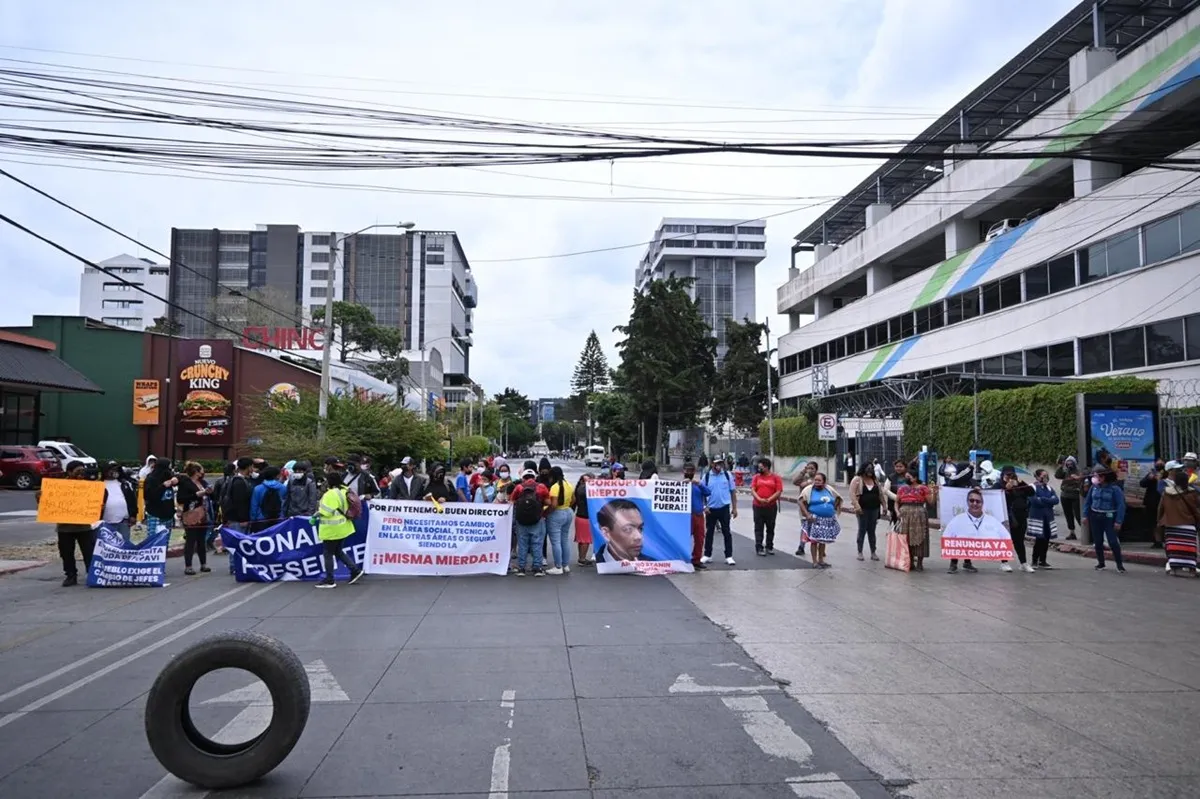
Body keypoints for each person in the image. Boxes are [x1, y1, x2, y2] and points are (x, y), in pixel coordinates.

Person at [37, 460, 97, 587]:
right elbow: (47, 502)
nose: (81, 474)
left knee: (89, 552)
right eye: (78, 471)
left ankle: (91, 574)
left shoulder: (88, 486)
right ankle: (70, 575)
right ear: (69, 472)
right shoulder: (59, 486)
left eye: (83, 471)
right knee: (66, 553)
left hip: (84, 526)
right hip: (65, 528)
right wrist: (40, 497)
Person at [312, 457, 364, 588]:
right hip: (344, 527)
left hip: (332, 530)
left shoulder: (330, 494)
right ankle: (355, 570)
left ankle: (330, 580)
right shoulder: (344, 490)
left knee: (328, 553)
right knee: (338, 551)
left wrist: (314, 516)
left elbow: (326, 512)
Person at [1083, 465, 1126, 572]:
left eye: (1097, 476)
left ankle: (1119, 565)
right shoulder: (1094, 487)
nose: (1095, 478)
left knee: (1112, 541)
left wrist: (1118, 521)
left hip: (1109, 516)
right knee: (1098, 541)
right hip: (1095, 516)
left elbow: (1121, 505)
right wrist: (1085, 515)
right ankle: (1101, 563)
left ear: (1103, 477)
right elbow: (1088, 502)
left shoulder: (1115, 489)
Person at [1158, 467, 1200, 576]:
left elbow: (1161, 508)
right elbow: (1196, 508)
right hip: (1188, 524)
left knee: (1173, 548)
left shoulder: (1167, 493)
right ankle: (1192, 569)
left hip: (1171, 524)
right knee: (1190, 548)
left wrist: (1159, 521)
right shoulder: (1192, 493)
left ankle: (1173, 569)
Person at [509, 468, 550, 576]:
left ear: (523, 478)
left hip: (521, 520)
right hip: (537, 519)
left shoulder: (518, 487)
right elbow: (548, 502)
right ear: (534, 477)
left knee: (522, 544)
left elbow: (511, 501)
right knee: (537, 543)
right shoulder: (541, 487)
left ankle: (521, 568)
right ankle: (537, 568)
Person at [800, 472, 842, 569]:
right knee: (814, 541)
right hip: (815, 519)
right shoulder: (809, 490)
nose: (817, 482)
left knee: (823, 541)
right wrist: (807, 514)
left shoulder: (829, 490)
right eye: (815, 480)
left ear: (824, 482)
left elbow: (838, 498)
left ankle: (821, 560)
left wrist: (833, 509)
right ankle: (815, 562)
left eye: (819, 480)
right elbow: (801, 501)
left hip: (827, 520)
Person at [701, 457, 738, 567]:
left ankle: (729, 556)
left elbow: (733, 492)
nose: (719, 466)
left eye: (721, 463)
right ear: (712, 464)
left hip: (724, 508)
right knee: (709, 532)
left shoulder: (727, 475)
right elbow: (701, 493)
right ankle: (707, 555)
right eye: (717, 463)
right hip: (711, 509)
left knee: (726, 532)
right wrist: (704, 506)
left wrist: (734, 508)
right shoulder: (706, 477)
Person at [896, 471, 936, 572]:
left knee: (920, 537)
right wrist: (897, 512)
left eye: (908, 477)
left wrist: (935, 493)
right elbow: (897, 502)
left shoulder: (923, 488)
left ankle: (919, 563)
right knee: (906, 538)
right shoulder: (902, 489)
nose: (906, 479)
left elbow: (931, 502)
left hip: (919, 514)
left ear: (915, 478)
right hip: (905, 514)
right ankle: (909, 562)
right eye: (905, 477)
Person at [176, 462, 211, 575]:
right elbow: (181, 498)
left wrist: (209, 492)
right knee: (191, 540)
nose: (203, 471)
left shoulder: (202, 482)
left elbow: (208, 494)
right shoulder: (185, 483)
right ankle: (188, 566)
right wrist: (196, 494)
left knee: (201, 540)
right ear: (196, 471)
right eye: (201, 469)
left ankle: (203, 564)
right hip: (191, 514)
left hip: (203, 514)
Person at [1000, 467, 1036, 573]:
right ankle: (1004, 562)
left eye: (1011, 475)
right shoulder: (999, 485)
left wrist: (1021, 482)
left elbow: (1031, 492)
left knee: (1019, 540)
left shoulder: (1019, 485)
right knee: (1006, 540)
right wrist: (1007, 488)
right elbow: (997, 496)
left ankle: (1023, 563)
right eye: (1007, 476)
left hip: (1021, 516)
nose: (1009, 478)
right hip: (1007, 517)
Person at [850, 463, 888, 561]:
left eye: (872, 469)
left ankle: (873, 552)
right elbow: (852, 494)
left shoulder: (875, 480)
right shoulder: (857, 480)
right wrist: (857, 507)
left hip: (874, 509)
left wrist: (884, 506)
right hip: (862, 509)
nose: (870, 471)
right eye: (868, 469)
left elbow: (880, 494)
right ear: (864, 469)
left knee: (872, 531)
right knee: (862, 530)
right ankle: (860, 552)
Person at [544, 466, 575, 575]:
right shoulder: (569, 484)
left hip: (556, 514)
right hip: (568, 512)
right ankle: (565, 565)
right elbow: (573, 500)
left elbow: (553, 505)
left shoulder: (554, 487)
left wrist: (545, 513)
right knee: (564, 540)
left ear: (552, 476)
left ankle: (558, 566)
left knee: (556, 542)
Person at [750, 457, 783, 556]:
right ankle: (759, 547)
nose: (759, 469)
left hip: (771, 506)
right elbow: (753, 489)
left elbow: (778, 491)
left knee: (770, 527)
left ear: (767, 467)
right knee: (758, 527)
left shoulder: (775, 478)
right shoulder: (756, 477)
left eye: (761, 467)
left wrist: (770, 499)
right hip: (758, 506)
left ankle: (769, 546)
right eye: (758, 467)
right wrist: (759, 499)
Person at [1028, 469, 1060, 569]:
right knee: (1039, 539)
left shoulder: (1050, 488)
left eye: (1047, 476)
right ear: (1037, 477)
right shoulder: (1032, 487)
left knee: (1046, 538)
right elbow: (1034, 501)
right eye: (1043, 476)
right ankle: (1034, 560)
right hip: (1037, 517)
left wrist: (1042, 499)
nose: (1045, 478)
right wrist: (1048, 501)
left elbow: (1056, 500)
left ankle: (1043, 560)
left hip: (1048, 517)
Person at [100, 460, 138, 543]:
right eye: (112, 469)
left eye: (116, 469)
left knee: (124, 543)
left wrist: (133, 515)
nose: (114, 472)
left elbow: (132, 500)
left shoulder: (125, 484)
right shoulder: (99, 485)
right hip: (105, 522)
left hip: (123, 521)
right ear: (105, 471)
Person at [683, 462, 711, 570]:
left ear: (694, 472)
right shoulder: (681, 484)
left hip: (698, 515)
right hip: (686, 516)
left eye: (691, 471)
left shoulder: (698, 485)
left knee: (699, 538)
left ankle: (696, 559)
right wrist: (680, 484)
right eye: (687, 470)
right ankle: (683, 558)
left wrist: (699, 484)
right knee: (685, 538)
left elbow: (708, 492)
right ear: (684, 471)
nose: (689, 472)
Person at [142, 458, 179, 536]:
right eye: (168, 467)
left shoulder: (168, 477)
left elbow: (180, 478)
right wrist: (163, 486)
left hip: (168, 515)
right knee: (154, 540)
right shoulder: (151, 479)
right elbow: (148, 496)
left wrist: (176, 479)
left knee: (165, 540)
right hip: (155, 514)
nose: (170, 470)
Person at [792, 460, 820, 556]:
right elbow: (795, 482)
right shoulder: (803, 477)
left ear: (816, 470)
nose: (810, 470)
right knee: (805, 526)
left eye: (812, 468)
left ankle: (820, 548)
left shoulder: (819, 478)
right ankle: (801, 546)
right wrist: (803, 472)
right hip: (804, 505)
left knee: (818, 526)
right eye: (808, 468)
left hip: (816, 505)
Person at [220, 457, 254, 532]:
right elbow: (240, 502)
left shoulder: (233, 479)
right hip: (237, 520)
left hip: (233, 518)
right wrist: (243, 519)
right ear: (248, 467)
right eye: (252, 466)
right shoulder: (240, 482)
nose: (253, 469)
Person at [249, 466, 288, 533]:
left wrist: (253, 520)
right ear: (277, 476)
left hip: (261, 520)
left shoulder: (257, 488)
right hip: (279, 519)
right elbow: (285, 504)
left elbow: (254, 506)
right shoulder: (283, 488)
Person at [1055, 457, 1083, 540]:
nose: (1069, 465)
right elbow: (1057, 475)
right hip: (1065, 495)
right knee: (1068, 515)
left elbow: (1082, 480)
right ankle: (1072, 532)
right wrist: (1061, 466)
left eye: (1071, 463)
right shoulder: (1065, 470)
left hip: (1075, 495)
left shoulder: (1079, 471)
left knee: (1078, 515)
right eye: (1068, 463)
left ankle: (1087, 534)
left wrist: (1078, 478)